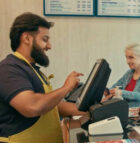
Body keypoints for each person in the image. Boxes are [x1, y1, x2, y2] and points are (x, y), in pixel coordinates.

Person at [0, 12, 85, 143]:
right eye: (45, 39)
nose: (49, 46)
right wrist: (66, 88)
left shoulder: (32, 69)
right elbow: (32, 106)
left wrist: (88, 109)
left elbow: (51, 107)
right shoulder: (9, 69)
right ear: (27, 38)